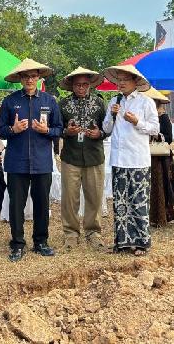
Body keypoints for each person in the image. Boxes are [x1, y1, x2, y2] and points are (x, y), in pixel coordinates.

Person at [0, 58, 63, 262]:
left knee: (42, 203)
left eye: (33, 76)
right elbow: (0, 130)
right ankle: (17, 244)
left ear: (39, 77)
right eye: (25, 76)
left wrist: (47, 130)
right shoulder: (10, 101)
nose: (30, 79)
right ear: (20, 79)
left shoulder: (49, 101)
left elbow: (59, 129)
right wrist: (13, 130)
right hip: (17, 161)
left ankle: (41, 241)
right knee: (17, 204)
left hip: (42, 160)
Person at [102, 64, 159, 256]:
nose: (121, 83)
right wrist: (112, 114)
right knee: (120, 202)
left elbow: (154, 129)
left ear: (135, 82)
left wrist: (137, 122)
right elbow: (107, 129)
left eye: (125, 79)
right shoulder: (114, 101)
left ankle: (141, 242)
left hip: (138, 159)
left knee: (139, 201)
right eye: (119, 80)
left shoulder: (146, 102)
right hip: (118, 159)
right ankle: (123, 242)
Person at [58, 67, 108, 250]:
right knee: (70, 198)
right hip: (70, 157)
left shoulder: (100, 103)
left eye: (85, 84)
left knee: (94, 196)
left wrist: (99, 133)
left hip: (94, 156)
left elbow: (108, 128)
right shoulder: (62, 104)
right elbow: (56, 128)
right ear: (71, 86)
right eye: (78, 85)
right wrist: (66, 132)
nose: (81, 88)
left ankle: (93, 232)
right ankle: (70, 233)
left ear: (90, 85)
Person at [144, 87, 174, 228]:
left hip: (160, 158)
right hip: (145, 155)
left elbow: (168, 138)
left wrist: (155, 135)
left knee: (161, 186)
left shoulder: (163, 117)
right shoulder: (144, 117)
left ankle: (161, 216)